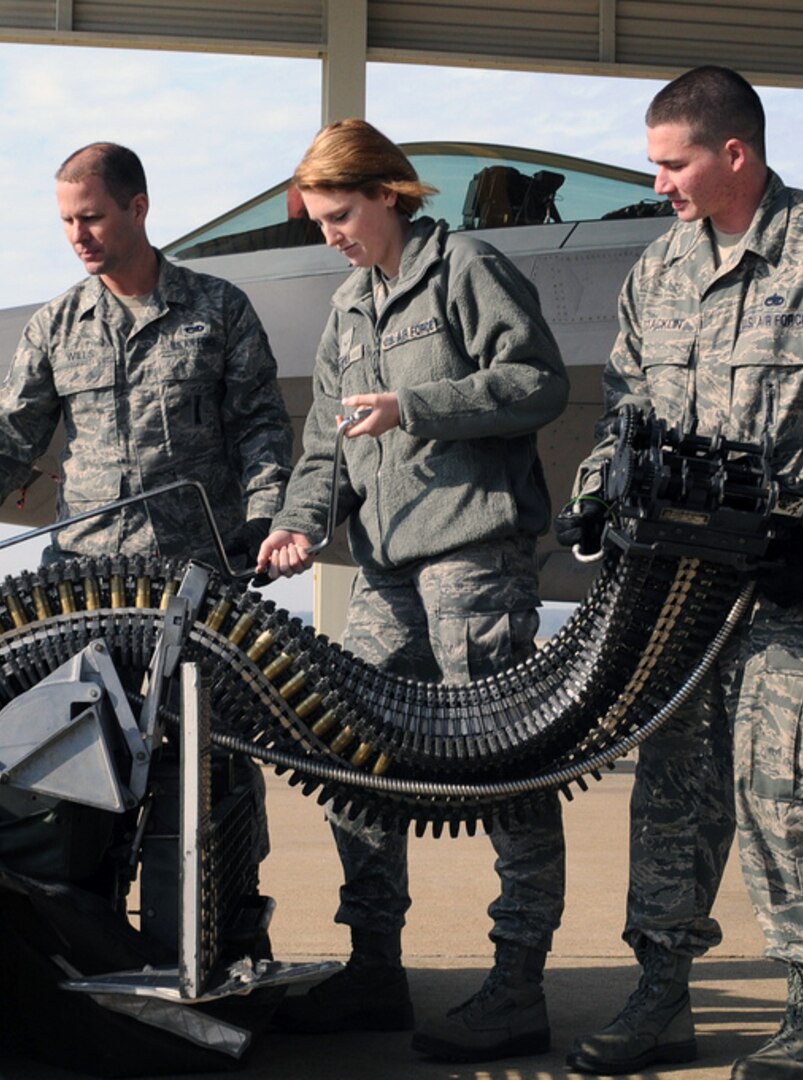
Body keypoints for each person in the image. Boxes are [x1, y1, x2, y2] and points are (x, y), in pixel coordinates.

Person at [556, 67, 803, 1080]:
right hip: (679, 591)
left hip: (792, 589)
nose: (660, 182)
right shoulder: (657, 270)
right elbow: (626, 409)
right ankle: (663, 997)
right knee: (671, 790)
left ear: (734, 156)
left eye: (673, 163)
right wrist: (596, 492)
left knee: (786, 785)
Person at [258, 119, 570, 1063]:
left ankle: (518, 984)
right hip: (386, 567)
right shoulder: (350, 308)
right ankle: (374, 966)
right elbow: (325, 444)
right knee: (354, 754)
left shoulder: (467, 268)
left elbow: (538, 382)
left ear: (389, 193)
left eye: (340, 215)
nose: (332, 237)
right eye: (319, 222)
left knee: (502, 764)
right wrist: (299, 522)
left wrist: (418, 406)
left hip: (475, 555)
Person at [0, 142, 292, 572]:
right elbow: (9, 438)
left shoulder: (220, 309)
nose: (78, 236)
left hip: (200, 569)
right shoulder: (56, 326)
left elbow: (260, 425)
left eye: (92, 218)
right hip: (85, 572)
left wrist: (264, 519)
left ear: (138, 210)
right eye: (67, 221)